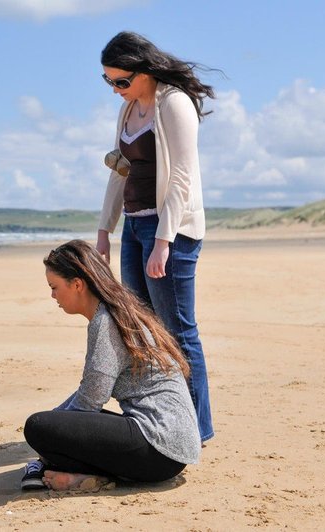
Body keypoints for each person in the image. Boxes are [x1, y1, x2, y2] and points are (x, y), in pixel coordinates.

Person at [96, 31, 217, 442]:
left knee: (178, 330)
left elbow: (182, 176)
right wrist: (103, 232)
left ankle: (197, 429)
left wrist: (164, 241)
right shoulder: (128, 110)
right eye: (108, 81)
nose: (115, 90)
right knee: (143, 328)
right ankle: (164, 419)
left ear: (144, 71)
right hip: (134, 226)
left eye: (121, 81)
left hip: (173, 231)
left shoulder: (175, 103)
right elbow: (120, 170)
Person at [20, 240, 200, 491]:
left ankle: (90, 474)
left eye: (54, 287)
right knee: (51, 428)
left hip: (159, 447)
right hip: (172, 446)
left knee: (37, 428)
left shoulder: (106, 322)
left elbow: (90, 401)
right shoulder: (118, 311)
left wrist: (52, 427)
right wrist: (57, 419)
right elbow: (90, 390)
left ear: (77, 284)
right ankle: (90, 476)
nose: (52, 296)